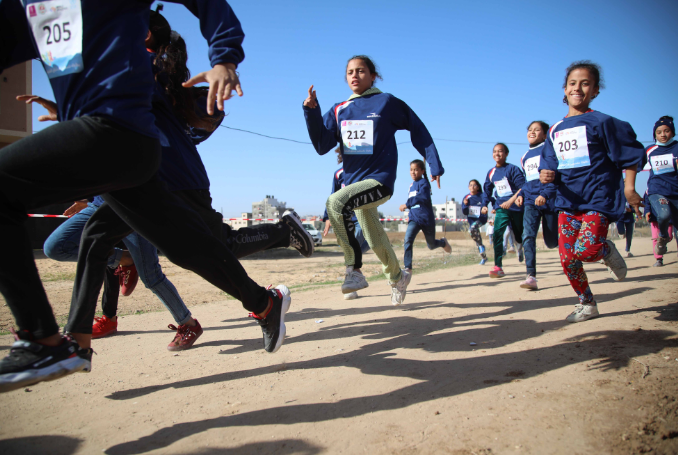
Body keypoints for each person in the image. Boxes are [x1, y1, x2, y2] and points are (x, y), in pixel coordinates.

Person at [0, 0, 289, 393]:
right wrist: (67, 118)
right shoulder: (35, 9)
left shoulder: (158, 70)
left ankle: (45, 342)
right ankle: (264, 303)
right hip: (119, 152)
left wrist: (224, 58)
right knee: (176, 247)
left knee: (205, 242)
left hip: (127, 143)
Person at [303, 55, 444, 305]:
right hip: (355, 186)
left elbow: (416, 126)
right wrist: (312, 112)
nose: (354, 76)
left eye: (360, 71)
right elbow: (322, 145)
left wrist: (433, 162)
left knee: (335, 202)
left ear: (373, 76)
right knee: (374, 237)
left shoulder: (385, 102)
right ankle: (398, 277)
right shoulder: (339, 109)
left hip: (379, 181)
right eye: (350, 72)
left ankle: (353, 269)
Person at [539, 60, 645, 323]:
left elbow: (632, 155)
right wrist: (547, 175)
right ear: (565, 89)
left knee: (586, 250)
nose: (578, 88)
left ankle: (605, 250)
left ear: (595, 90)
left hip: (597, 198)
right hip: (568, 201)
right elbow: (549, 165)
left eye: (585, 83)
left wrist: (630, 188)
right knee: (568, 259)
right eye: (572, 83)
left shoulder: (603, 122)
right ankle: (587, 304)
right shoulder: (554, 130)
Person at [322, 148, 370, 300]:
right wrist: (328, 217)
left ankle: (354, 272)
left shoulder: (364, 171)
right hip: (346, 218)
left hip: (363, 215)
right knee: (351, 246)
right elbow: (333, 197)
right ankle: (352, 280)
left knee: (362, 241)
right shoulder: (338, 174)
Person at [517, 120, 559, 290]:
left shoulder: (550, 150)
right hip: (530, 201)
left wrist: (545, 194)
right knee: (527, 235)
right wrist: (521, 194)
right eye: (530, 129)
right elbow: (527, 180)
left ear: (545, 134)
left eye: (537, 129)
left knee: (551, 242)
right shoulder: (524, 157)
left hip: (549, 200)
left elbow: (555, 176)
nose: (532, 132)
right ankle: (531, 276)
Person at [481, 143, 525, 278]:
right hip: (501, 208)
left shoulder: (513, 169)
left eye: (500, 151)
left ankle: (519, 246)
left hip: (516, 207)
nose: (497, 154)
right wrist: (484, 204)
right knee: (497, 234)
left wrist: (513, 200)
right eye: (495, 151)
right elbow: (487, 190)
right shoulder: (491, 172)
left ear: (506, 154)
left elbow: (522, 187)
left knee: (518, 234)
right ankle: (498, 266)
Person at [400, 159, 451, 273]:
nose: (413, 172)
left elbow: (422, 197)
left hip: (426, 219)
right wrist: (409, 212)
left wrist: (407, 204)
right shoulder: (411, 186)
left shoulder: (424, 183)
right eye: (411, 170)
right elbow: (414, 204)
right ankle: (408, 268)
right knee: (407, 239)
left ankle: (443, 243)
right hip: (414, 219)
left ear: (422, 171)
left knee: (431, 245)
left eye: (416, 170)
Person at [644, 116, 678, 256]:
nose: (663, 135)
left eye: (666, 131)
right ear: (655, 134)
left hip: (675, 191)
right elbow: (633, 165)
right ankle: (663, 236)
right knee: (664, 215)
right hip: (657, 190)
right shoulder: (649, 150)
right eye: (659, 132)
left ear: (673, 132)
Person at [644, 191, 675, 267]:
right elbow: (646, 202)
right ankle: (659, 259)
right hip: (654, 217)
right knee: (655, 238)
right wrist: (647, 211)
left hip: (668, 218)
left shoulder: (670, 187)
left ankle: (662, 243)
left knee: (669, 237)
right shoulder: (649, 190)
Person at [462, 179, 488, 264]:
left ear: (478, 187)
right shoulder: (466, 197)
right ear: (468, 187)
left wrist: (493, 207)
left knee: (472, 229)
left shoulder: (482, 196)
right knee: (476, 237)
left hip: (481, 219)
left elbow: (489, 200)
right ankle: (484, 257)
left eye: (474, 185)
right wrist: (465, 204)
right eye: (470, 185)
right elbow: (464, 212)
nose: (472, 187)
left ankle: (481, 246)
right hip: (472, 220)